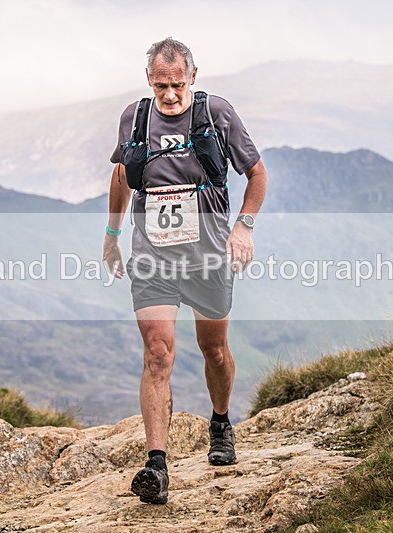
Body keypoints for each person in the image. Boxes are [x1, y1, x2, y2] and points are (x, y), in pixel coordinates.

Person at [103, 37, 268, 505]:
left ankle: (220, 421)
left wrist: (244, 228)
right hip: (152, 253)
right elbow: (120, 175)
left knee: (213, 349)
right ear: (149, 81)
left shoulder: (217, 114)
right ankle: (156, 465)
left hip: (209, 253)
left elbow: (257, 174)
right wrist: (112, 236)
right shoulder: (135, 118)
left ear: (193, 77)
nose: (170, 95)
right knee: (157, 352)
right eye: (161, 86)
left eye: (177, 85)